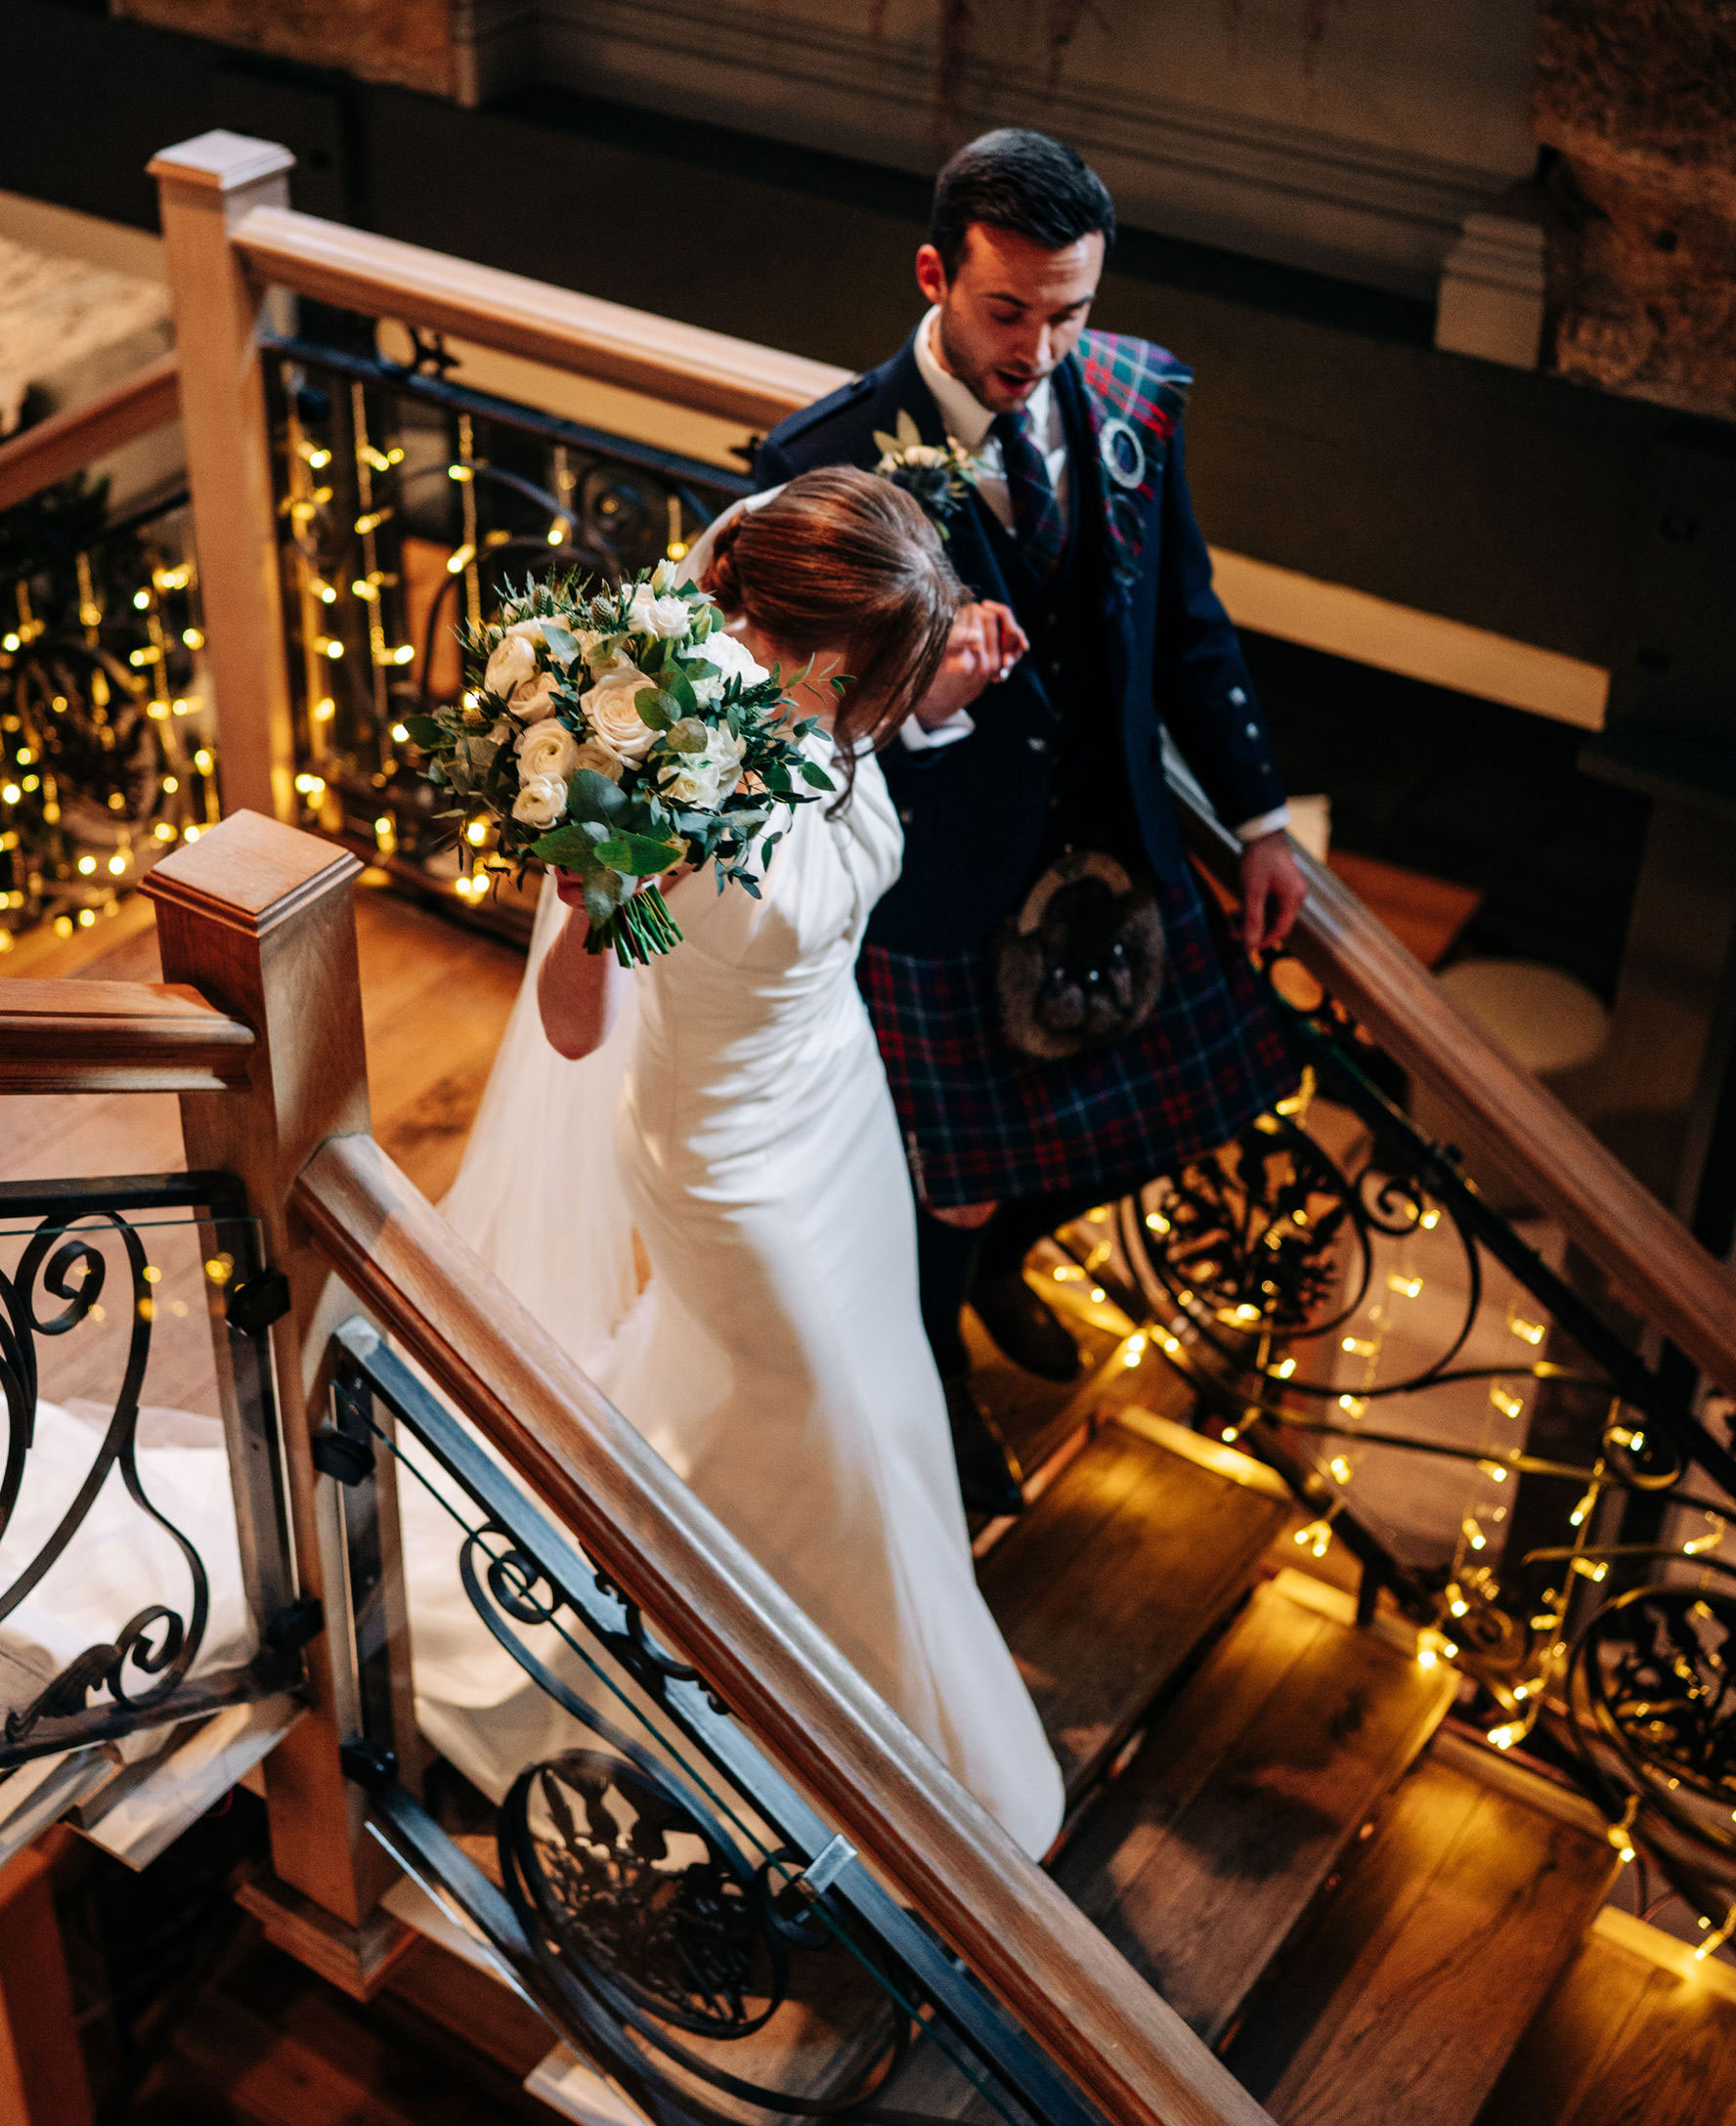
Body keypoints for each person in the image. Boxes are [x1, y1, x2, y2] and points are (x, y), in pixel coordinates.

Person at [416, 467, 1065, 1862]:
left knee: (868, 1401)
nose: (894, 712)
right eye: (887, 687)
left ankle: (746, 1636)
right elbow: (574, 1031)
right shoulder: (643, 751)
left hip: (837, 1104)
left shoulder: (828, 705)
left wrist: (926, 709)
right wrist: (591, 877)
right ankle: (822, 1736)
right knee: (820, 1413)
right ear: (819, 657)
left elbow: (849, 780)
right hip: (724, 1161)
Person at [749, 129, 1306, 1518]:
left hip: (1119, 851)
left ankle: (1001, 1271)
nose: (1042, 347)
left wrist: (1262, 819)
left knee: (1192, 1110)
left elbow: (1188, 616)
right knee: (947, 1195)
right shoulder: (825, 464)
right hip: (938, 885)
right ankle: (933, 1373)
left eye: (1072, 310)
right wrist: (927, 699)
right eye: (1009, 310)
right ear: (936, 273)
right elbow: (798, 726)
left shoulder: (1137, 400)